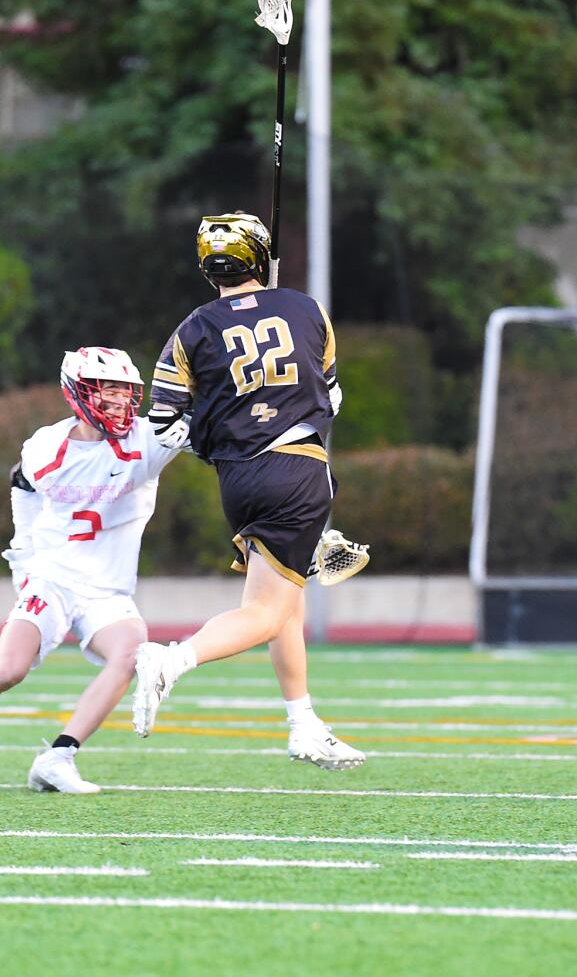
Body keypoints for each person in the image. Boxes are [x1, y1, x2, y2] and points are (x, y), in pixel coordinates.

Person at [0, 346, 184, 794]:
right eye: (108, 394)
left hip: (108, 590)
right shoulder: (48, 445)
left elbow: (215, 432)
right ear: (80, 395)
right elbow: (22, 484)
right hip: (52, 577)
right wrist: (23, 555)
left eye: (127, 394)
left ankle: (58, 757)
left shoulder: (150, 441)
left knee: (131, 652)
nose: (122, 404)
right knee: (8, 670)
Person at [135, 212, 365, 770]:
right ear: (260, 258)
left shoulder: (191, 328)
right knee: (264, 610)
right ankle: (171, 660)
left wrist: (223, 441)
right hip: (297, 468)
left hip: (237, 480)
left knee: (286, 601)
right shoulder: (306, 308)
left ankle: (304, 724)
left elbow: (164, 422)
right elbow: (330, 398)